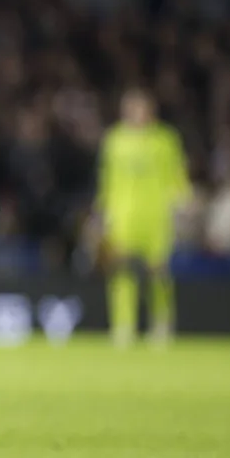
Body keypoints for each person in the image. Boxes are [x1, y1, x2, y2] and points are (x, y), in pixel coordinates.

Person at [96, 88, 190, 347]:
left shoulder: (165, 139)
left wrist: (183, 202)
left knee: (158, 272)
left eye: (141, 108)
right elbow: (107, 179)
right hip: (123, 215)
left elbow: (177, 174)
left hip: (157, 214)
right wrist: (103, 211)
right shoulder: (114, 140)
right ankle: (123, 326)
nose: (136, 113)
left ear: (151, 111)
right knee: (121, 272)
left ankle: (162, 324)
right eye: (131, 108)